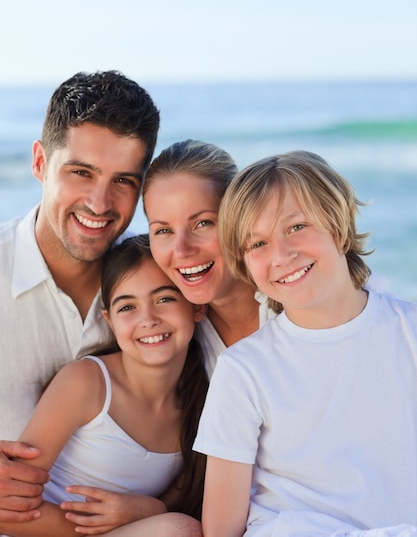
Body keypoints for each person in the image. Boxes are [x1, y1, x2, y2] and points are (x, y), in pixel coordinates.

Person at [193, 150, 417, 537]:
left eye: (296, 227)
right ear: (245, 265)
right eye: (257, 244)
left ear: (339, 225)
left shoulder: (408, 332)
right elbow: (222, 528)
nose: (281, 255)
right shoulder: (244, 369)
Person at [0, 70, 160, 523]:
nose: (99, 202)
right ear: (39, 162)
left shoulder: (159, 292)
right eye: (81, 172)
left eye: (124, 181)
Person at [0, 235, 207, 537]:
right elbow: (8, 509)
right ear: (109, 321)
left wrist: (152, 509)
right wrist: (144, 518)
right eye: (127, 307)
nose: (148, 319)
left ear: (196, 308)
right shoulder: (87, 382)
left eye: (164, 299)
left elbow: (163, 508)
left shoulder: (199, 406)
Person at [142, 139, 277, 377]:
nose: (182, 250)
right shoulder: (173, 330)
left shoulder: (293, 306)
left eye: (203, 223)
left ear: (237, 219)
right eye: (164, 230)